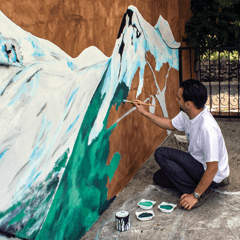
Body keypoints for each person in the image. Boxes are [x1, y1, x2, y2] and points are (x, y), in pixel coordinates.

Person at [133, 79, 230, 210]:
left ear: (189, 103)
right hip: (197, 163)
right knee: (159, 177)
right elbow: (170, 124)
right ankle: (198, 185)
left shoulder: (207, 128)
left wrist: (194, 195)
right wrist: (145, 113)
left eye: (179, 98)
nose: (176, 99)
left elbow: (213, 167)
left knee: (161, 153)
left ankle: (199, 192)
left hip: (214, 175)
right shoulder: (188, 113)